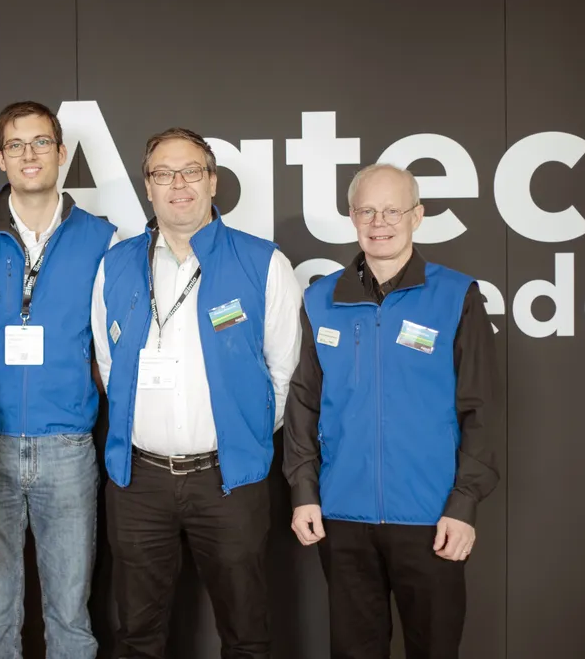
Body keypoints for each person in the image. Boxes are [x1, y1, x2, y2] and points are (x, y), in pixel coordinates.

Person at [91, 127, 302, 658]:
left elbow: (285, 371)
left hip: (228, 480)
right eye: (163, 174)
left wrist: (242, 434)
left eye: (190, 172)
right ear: (148, 186)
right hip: (138, 483)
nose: (177, 184)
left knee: (246, 633)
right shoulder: (115, 265)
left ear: (212, 181)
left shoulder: (263, 262)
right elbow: (109, 362)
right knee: (137, 634)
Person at [282, 163, 502, 658]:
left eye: (392, 210)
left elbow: (481, 409)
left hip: (430, 518)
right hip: (342, 516)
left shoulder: (456, 296)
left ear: (417, 216)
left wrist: (464, 505)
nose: (379, 222)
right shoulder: (320, 299)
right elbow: (303, 403)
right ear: (352, 217)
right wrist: (303, 490)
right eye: (366, 210)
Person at [0, 101, 117, 658]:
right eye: (16, 145)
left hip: (68, 450)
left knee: (70, 618)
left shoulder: (105, 239)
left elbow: (115, 349)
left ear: (62, 154)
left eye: (41, 142)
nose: (29, 154)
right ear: (0, 158)